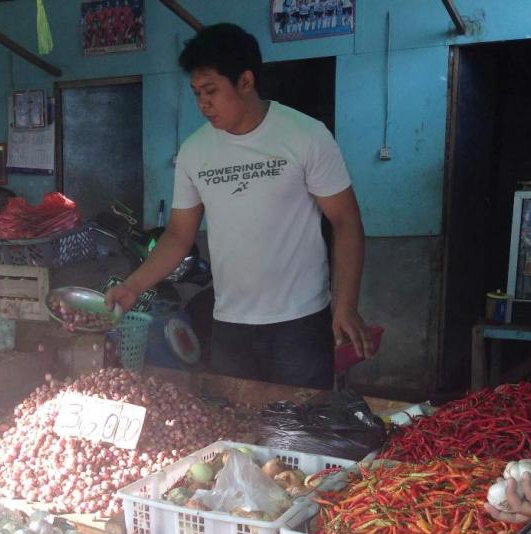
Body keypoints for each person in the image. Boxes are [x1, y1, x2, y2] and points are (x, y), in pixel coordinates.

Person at [107, 24, 370, 389]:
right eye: (196, 93)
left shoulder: (305, 135)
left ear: (245, 81)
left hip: (300, 321)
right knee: (238, 420)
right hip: (230, 322)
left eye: (211, 91)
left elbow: (345, 221)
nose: (202, 104)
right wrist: (133, 286)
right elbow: (179, 235)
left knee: (304, 419)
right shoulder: (195, 152)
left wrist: (345, 304)